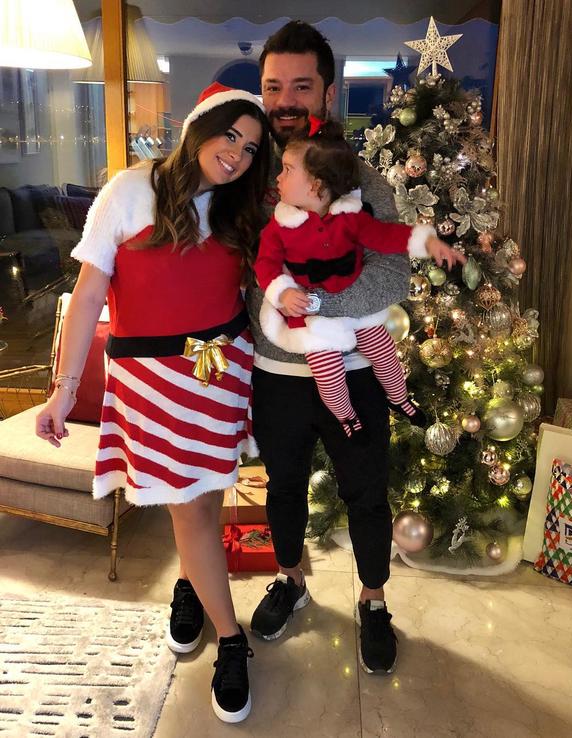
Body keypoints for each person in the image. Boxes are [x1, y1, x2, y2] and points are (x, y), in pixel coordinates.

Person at [35, 83, 270, 724]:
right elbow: (88, 296)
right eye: (230, 135)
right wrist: (63, 389)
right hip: (151, 382)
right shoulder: (129, 190)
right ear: (199, 128)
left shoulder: (239, 206)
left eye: (252, 148)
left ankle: (191, 586)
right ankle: (232, 640)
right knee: (189, 508)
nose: (238, 154)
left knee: (202, 501)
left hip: (220, 373)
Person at [247, 21, 465, 674]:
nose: (285, 100)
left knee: (367, 492)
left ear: (328, 92)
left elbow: (391, 274)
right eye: (273, 87)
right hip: (274, 374)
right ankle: (291, 579)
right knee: (283, 486)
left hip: (358, 370)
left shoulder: (361, 181)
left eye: (301, 86)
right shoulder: (251, 179)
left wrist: (317, 311)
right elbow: (244, 270)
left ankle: (373, 599)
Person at [254, 118, 457, 438]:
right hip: (314, 317)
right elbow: (265, 265)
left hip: (356, 306)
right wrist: (283, 293)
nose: (278, 177)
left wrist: (426, 241)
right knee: (329, 375)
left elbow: (385, 236)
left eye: (288, 170)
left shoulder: (350, 218)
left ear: (316, 184)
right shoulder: (279, 227)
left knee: (384, 352)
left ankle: (399, 399)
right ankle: (347, 417)